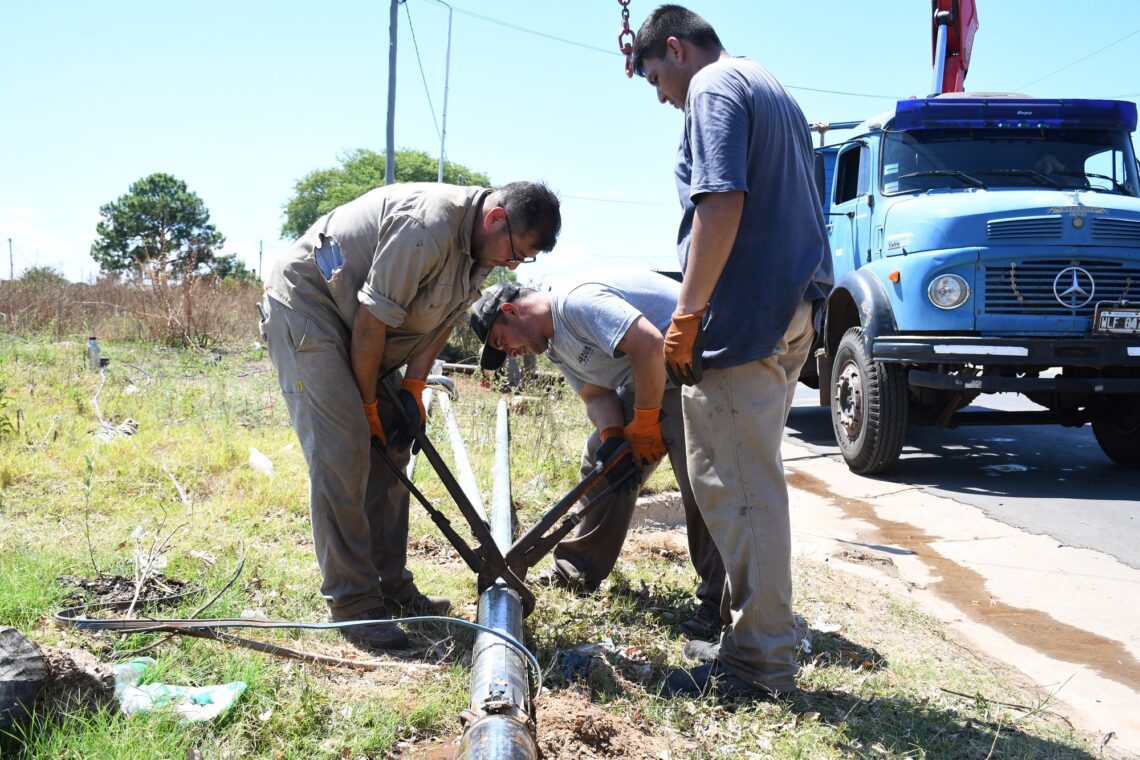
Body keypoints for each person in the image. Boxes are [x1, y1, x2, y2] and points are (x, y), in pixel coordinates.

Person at [260, 181, 561, 652]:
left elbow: (439, 325)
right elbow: (371, 322)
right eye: (515, 252)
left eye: (523, 261)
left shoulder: (481, 252)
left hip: (360, 329)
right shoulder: (426, 226)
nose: (512, 265)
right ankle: (355, 605)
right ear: (496, 219)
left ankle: (389, 583)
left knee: (397, 443)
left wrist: (412, 391)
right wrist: (366, 406)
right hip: (310, 311)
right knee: (345, 450)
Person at [631, 6, 833, 699]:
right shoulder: (767, 83)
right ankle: (748, 637)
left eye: (657, 76)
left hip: (745, 318)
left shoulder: (713, 89)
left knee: (739, 492)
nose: (663, 95)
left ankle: (760, 663)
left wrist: (687, 315)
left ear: (678, 50)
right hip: (788, 308)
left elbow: (720, 202)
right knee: (752, 485)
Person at [468, 269, 727, 640]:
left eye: (501, 340)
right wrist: (613, 438)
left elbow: (650, 344)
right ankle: (578, 570)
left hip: (698, 370)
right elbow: (596, 394)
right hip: (655, 379)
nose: (509, 352)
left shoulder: (575, 302)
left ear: (510, 310)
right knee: (602, 463)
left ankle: (720, 604)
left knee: (701, 482)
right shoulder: (554, 346)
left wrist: (647, 421)